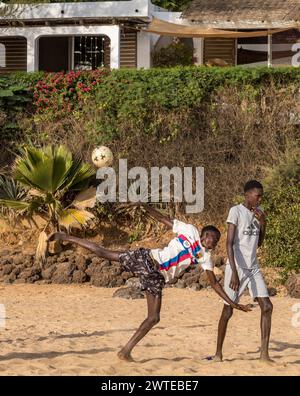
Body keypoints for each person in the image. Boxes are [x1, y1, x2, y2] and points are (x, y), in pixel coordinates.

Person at [48, 202, 251, 362]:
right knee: (107, 253)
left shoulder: (206, 257)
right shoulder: (188, 230)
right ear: (203, 234)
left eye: (215, 241)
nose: (212, 242)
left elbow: (214, 284)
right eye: (211, 238)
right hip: (148, 259)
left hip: (156, 277)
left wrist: (233, 303)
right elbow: (163, 219)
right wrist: (143, 206)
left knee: (154, 318)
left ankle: (125, 351)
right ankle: (67, 237)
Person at [212, 180, 273, 363]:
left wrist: (263, 223)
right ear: (247, 195)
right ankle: (218, 353)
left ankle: (264, 354)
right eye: (257, 195)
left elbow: (259, 243)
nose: (260, 199)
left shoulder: (258, 214)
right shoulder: (235, 211)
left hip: (253, 267)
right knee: (228, 310)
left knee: (267, 307)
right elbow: (229, 243)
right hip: (236, 267)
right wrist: (234, 274)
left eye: (261, 196)